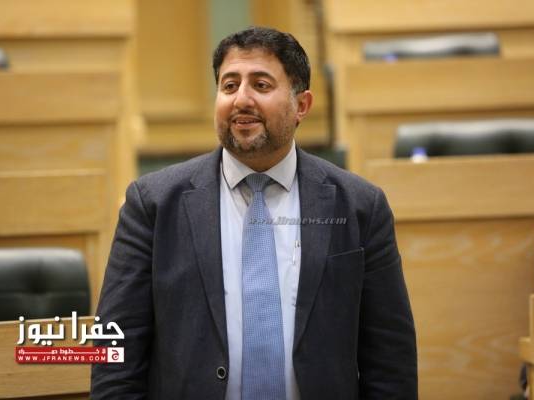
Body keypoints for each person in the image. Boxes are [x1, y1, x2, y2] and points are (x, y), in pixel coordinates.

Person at [91, 26, 417, 399]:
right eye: (229, 86)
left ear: (302, 105)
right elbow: (115, 351)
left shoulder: (360, 206)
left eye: (261, 85)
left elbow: (390, 360)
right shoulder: (152, 205)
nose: (241, 99)